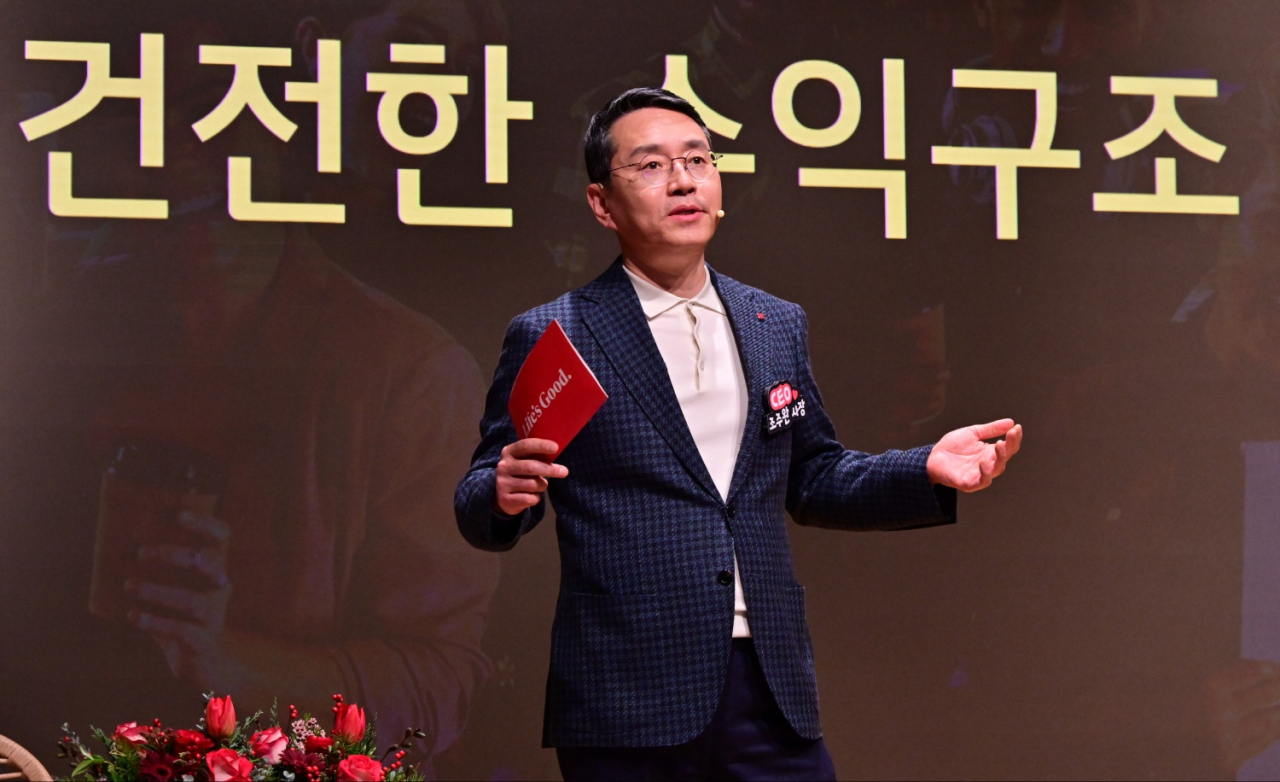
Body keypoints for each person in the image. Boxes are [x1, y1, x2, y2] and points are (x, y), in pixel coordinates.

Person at [454, 87, 1022, 781]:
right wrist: (502, 493)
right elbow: (484, 493)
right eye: (653, 166)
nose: (685, 179)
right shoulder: (559, 332)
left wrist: (924, 468)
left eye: (698, 159)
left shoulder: (773, 322)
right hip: (629, 693)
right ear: (602, 203)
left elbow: (812, 478)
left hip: (767, 684)